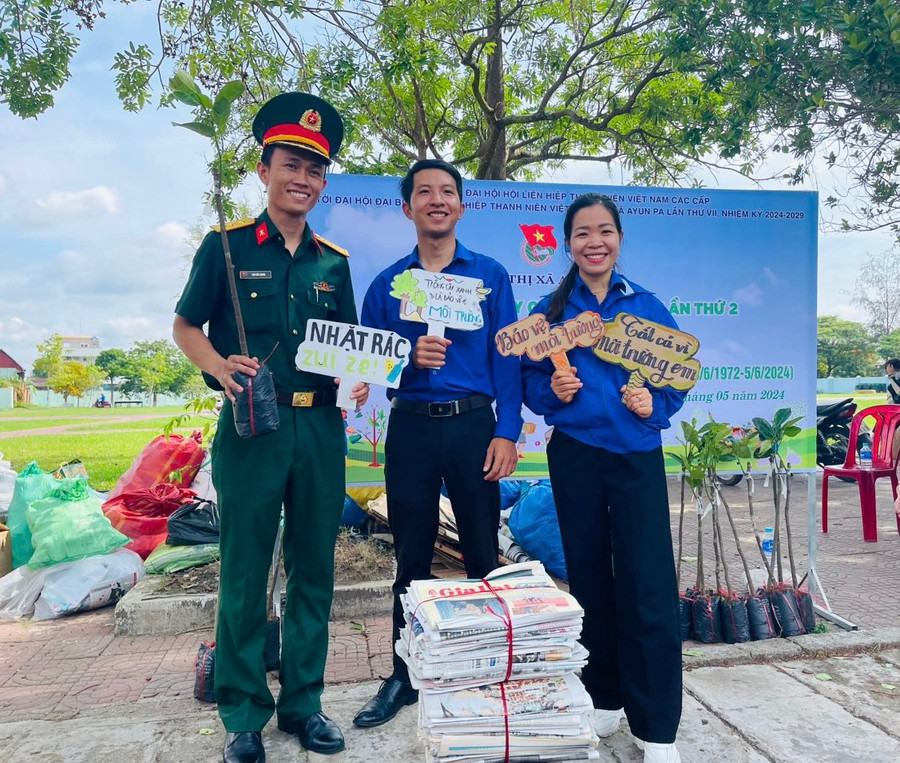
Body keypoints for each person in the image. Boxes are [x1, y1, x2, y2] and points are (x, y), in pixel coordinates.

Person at [173, 92, 368, 763]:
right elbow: (185, 326)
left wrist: (357, 376)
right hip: (252, 427)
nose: (303, 179)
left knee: (315, 568)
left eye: (316, 170)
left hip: (319, 430)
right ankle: (243, 712)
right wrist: (218, 366)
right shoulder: (225, 247)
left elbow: (346, 346)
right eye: (291, 164)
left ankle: (304, 704)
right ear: (264, 170)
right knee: (244, 570)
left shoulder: (333, 262)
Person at [354, 159, 523, 727]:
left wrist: (507, 430)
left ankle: (487, 669)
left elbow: (507, 359)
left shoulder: (489, 276)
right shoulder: (387, 285)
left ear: (461, 206)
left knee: (483, 554)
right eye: (424, 192)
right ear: (407, 208)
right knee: (411, 556)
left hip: (474, 426)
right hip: (412, 428)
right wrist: (407, 359)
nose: (437, 200)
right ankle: (403, 675)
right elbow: (369, 363)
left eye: (447, 191)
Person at [521, 193, 685, 763]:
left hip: (635, 454)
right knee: (588, 577)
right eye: (583, 233)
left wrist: (654, 405)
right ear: (568, 245)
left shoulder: (645, 307)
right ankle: (603, 697)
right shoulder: (549, 313)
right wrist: (551, 391)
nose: (595, 242)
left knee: (648, 583)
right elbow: (529, 380)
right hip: (576, 454)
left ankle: (657, 727)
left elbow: (677, 375)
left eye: (605, 231)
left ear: (619, 239)